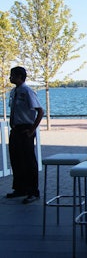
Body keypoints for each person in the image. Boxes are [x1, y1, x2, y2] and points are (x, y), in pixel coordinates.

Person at [6, 66, 44, 204]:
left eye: (13, 75)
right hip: (15, 129)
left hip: (26, 129)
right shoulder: (13, 92)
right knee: (16, 159)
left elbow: (40, 111)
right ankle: (20, 188)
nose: (10, 78)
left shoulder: (28, 92)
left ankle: (33, 191)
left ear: (20, 77)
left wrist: (32, 129)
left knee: (28, 161)